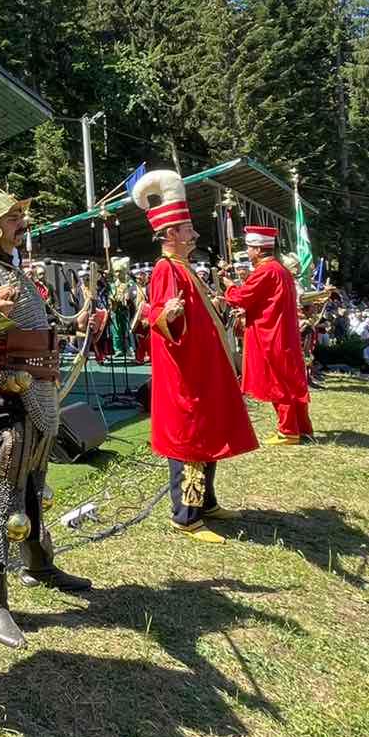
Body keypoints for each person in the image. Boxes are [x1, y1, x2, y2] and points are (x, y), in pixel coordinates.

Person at [0, 179, 91, 652]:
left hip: (40, 386)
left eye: (21, 217)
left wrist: (73, 324)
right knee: (3, 491)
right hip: (7, 390)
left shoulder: (14, 270)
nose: (23, 224)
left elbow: (38, 323)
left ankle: (40, 565)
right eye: (14, 218)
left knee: (34, 484)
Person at [132, 170, 258, 543]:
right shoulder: (166, 269)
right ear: (170, 233)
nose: (195, 233)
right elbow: (157, 315)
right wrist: (166, 316)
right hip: (186, 375)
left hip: (202, 369)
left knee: (207, 436)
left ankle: (206, 502)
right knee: (190, 442)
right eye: (187, 228)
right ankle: (186, 515)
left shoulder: (185, 269)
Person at [223, 225, 313, 445]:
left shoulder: (265, 271)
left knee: (277, 381)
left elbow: (241, 298)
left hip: (269, 334)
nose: (248, 252)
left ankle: (288, 430)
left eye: (249, 248)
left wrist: (230, 287)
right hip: (280, 332)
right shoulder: (278, 269)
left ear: (258, 249)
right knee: (289, 381)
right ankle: (302, 428)